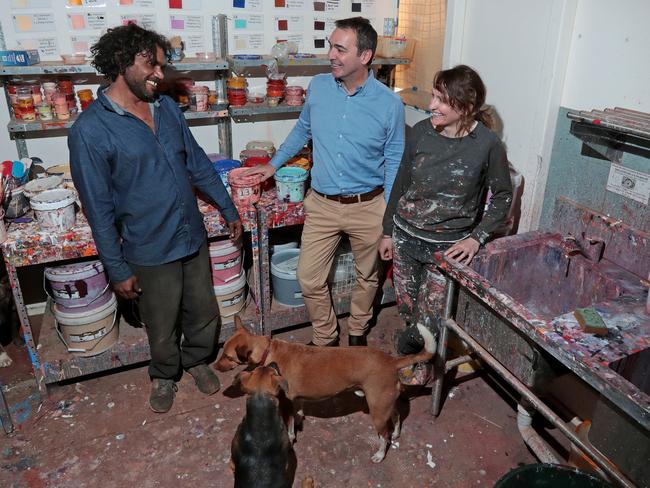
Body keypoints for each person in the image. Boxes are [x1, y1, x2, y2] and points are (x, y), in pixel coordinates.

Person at [68, 24, 243, 413]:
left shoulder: (165, 108)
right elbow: (98, 209)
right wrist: (116, 268)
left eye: (161, 66)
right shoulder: (90, 131)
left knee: (202, 311)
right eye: (151, 65)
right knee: (161, 324)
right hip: (148, 247)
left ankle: (197, 360)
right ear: (121, 62)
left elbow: (196, 163)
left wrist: (227, 208)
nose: (160, 76)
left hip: (190, 237)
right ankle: (165, 374)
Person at [245, 17, 405, 347]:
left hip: (369, 206)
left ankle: (358, 330)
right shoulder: (318, 87)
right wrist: (272, 166)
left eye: (340, 48)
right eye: (330, 46)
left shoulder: (390, 104)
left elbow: (395, 163)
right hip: (322, 204)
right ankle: (326, 336)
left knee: (368, 276)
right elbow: (303, 130)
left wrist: (387, 222)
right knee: (309, 277)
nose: (331, 54)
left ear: (365, 56)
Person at [379, 65, 513, 384]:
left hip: (447, 250)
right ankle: (419, 363)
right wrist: (387, 230)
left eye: (441, 100)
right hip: (406, 238)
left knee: (430, 319)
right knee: (410, 311)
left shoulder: (488, 145)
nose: (431, 105)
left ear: (465, 108)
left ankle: (415, 361)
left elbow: (504, 196)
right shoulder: (422, 132)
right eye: (434, 96)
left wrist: (476, 238)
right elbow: (401, 181)